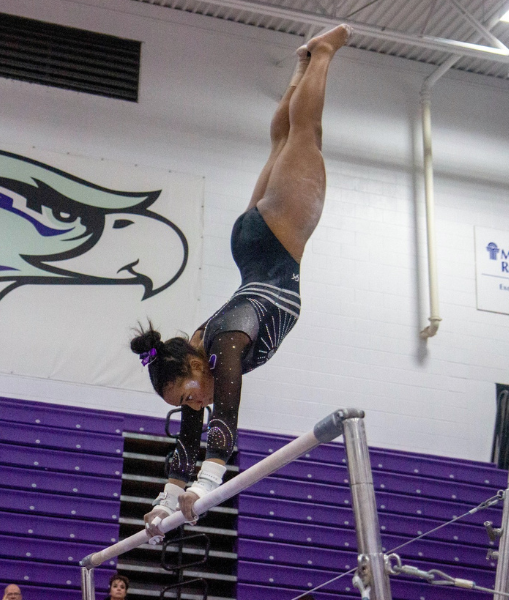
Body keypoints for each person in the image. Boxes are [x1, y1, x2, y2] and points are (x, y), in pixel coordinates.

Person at [132, 24, 353, 537]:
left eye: (188, 394)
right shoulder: (195, 356)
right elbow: (194, 430)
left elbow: (225, 415)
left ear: (192, 364)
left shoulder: (223, 345)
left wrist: (209, 483)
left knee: (304, 136)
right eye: (185, 401)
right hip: (253, 246)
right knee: (283, 139)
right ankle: (299, 65)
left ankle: (323, 52)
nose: (194, 405)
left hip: (276, 240)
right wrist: (167, 498)